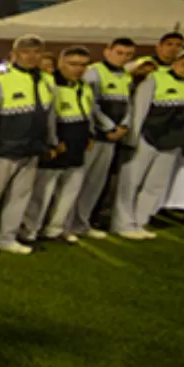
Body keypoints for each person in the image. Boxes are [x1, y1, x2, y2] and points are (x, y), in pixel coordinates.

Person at [0, 34, 57, 255]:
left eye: (36, 52)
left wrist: (50, 142)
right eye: (26, 51)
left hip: (31, 149)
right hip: (3, 149)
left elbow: (50, 115)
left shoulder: (47, 81)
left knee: (20, 196)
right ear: (15, 54)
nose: (31, 56)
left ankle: (7, 237)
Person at [21, 46, 101, 244]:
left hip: (78, 144)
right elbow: (48, 118)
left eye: (83, 65)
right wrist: (53, 142)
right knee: (43, 191)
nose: (79, 69)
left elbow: (87, 112)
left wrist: (89, 134)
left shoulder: (83, 87)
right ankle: (30, 230)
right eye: (74, 64)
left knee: (69, 190)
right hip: (58, 145)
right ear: (62, 63)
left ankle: (55, 229)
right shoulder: (51, 85)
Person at [112, 46, 184, 239]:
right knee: (130, 182)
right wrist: (133, 139)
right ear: (176, 62)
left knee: (155, 185)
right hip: (147, 138)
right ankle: (122, 223)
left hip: (173, 142)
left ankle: (139, 221)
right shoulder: (156, 78)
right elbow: (140, 109)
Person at [71, 37, 135, 238]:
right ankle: (67, 223)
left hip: (111, 138)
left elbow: (129, 103)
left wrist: (124, 125)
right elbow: (91, 105)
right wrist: (108, 127)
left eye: (128, 55)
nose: (123, 58)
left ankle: (82, 222)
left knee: (96, 183)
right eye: (119, 52)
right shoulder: (94, 73)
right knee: (79, 181)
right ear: (107, 51)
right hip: (95, 137)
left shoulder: (125, 76)